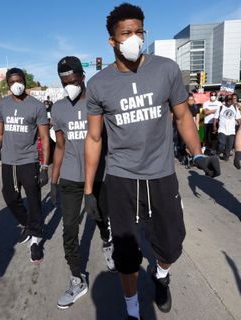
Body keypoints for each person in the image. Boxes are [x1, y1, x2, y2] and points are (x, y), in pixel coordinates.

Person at [84, 4, 221, 320]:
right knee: (127, 255)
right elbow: (93, 138)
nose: (134, 39)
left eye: (139, 31)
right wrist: (90, 189)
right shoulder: (99, 84)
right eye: (126, 33)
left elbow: (183, 115)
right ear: (112, 41)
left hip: (161, 175)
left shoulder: (166, 70)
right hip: (121, 178)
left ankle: (161, 276)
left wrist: (198, 153)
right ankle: (132, 309)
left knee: (171, 245)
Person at [50, 56, 115, 309]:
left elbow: (109, 142)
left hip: (99, 176)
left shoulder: (98, 104)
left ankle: (108, 243)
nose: (69, 86)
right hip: (69, 178)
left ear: (82, 77)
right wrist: (53, 180)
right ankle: (77, 279)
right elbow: (60, 147)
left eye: (73, 80)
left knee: (100, 217)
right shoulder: (57, 109)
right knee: (69, 231)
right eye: (64, 82)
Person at [0, 67, 50, 263]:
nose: (16, 84)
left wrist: (44, 166)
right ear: (8, 84)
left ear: (25, 81)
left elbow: (44, 137)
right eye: (12, 81)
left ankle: (36, 240)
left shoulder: (37, 106)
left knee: (33, 200)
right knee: (10, 197)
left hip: (29, 161)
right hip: (8, 161)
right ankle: (28, 224)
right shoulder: (2, 105)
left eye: (19, 80)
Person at [213, 94, 241, 161]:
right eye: (228, 100)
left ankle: (226, 157)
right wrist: (214, 126)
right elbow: (215, 118)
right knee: (222, 144)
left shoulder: (234, 108)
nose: (229, 101)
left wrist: (240, 126)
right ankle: (217, 152)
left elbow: (238, 118)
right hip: (222, 129)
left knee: (229, 145)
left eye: (231, 100)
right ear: (225, 100)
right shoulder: (220, 107)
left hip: (231, 130)